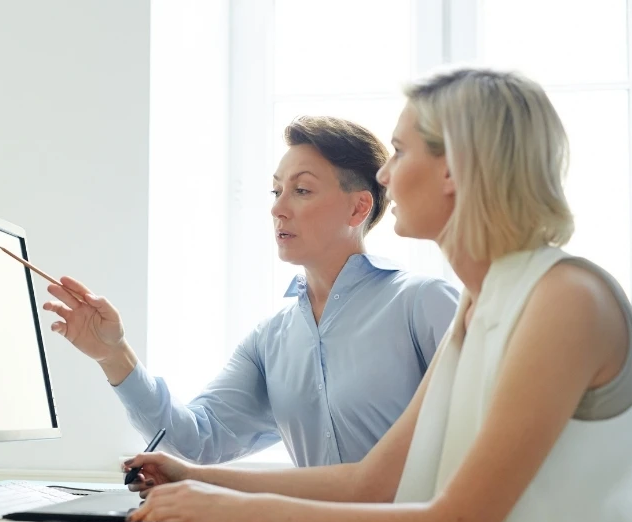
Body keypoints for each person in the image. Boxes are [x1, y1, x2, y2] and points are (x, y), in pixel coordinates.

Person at [124, 68, 632, 522]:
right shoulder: (478, 306)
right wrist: (195, 477)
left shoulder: (564, 300)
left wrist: (231, 508)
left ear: (454, 168)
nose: (385, 176)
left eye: (400, 152)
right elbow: (369, 483)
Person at [43, 116, 459, 467]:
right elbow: (197, 440)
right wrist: (114, 355)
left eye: (302, 190)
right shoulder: (270, 339)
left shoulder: (423, 304)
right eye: (276, 191)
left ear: (358, 207)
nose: (278, 208)